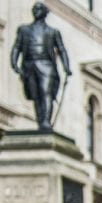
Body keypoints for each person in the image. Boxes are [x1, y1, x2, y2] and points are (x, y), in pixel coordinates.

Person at [9, 2, 72, 132]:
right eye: (34, 8)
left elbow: (62, 50)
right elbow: (17, 47)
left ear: (45, 12)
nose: (36, 10)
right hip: (29, 64)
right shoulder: (24, 30)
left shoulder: (53, 32)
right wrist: (14, 63)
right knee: (36, 94)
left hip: (46, 65)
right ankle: (40, 120)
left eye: (39, 9)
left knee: (46, 92)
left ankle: (46, 122)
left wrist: (67, 67)